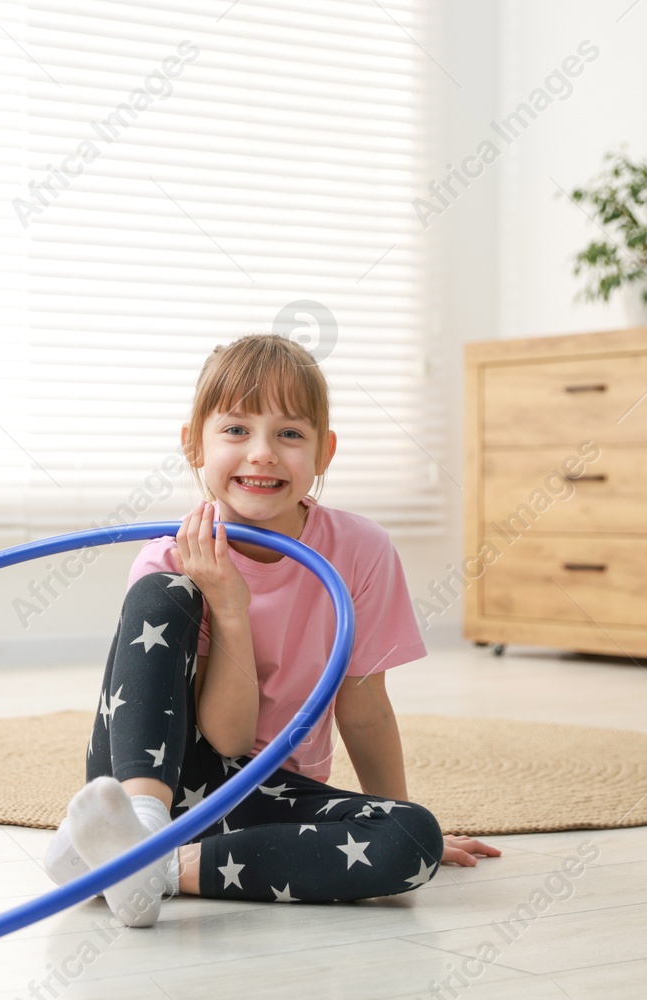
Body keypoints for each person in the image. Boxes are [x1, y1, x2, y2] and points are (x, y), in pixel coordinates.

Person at [44, 333, 499, 927]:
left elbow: (364, 711)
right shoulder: (170, 559)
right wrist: (226, 604)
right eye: (235, 430)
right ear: (193, 445)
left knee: (414, 839)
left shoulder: (361, 551)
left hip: (270, 796)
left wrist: (393, 809)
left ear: (324, 451)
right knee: (163, 594)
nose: (262, 453)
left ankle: (145, 870)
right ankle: (143, 835)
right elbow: (226, 739)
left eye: (290, 434)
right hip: (159, 782)